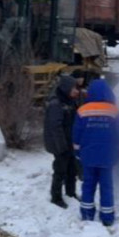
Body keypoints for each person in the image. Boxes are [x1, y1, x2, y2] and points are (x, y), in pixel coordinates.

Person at [73, 79, 119, 227]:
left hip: (88, 155)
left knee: (88, 184)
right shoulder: (115, 111)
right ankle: (107, 217)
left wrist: (77, 151)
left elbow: (76, 133)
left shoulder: (82, 110)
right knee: (107, 186)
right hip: (108, 156)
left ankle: (87, 214)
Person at [44, 75, 80, 209]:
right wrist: (61, 147)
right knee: (60, 171)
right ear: (66, 88)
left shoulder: (70, 101)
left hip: (69, 142)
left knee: (72, 169)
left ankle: (71, 192)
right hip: (60, 144)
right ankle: (56, 197)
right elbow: (55, 127)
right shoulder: (56, 104)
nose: (76, 91)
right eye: (74, 88)